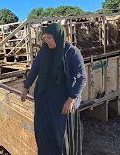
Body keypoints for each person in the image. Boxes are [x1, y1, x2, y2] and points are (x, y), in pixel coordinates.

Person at [21, 23, 87, 155]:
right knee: (43, 133)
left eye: (50, 37)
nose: (46, 41)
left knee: (60, 137)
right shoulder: (44, 51)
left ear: (58, 36)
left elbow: (81, 78)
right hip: (44, 99)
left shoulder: (72, 52)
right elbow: (35, 69)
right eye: (45, 37)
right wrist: (26, 86)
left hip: (62, 102)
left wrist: (71, 99)